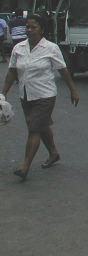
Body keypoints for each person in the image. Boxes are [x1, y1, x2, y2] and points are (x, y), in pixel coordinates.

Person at [2, 14, 80, 181]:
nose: (29, 30)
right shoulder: (18, 48)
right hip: (25, 95)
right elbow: (12, 72)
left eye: (33, 27)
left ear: (42, 30)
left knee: (34, 129)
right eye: (27, 27)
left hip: (45, 95)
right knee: (41, 125)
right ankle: (53, 153)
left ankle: (25, 166)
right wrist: (3, 94)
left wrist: (73, 90)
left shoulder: (51, 48)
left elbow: (63, 70)